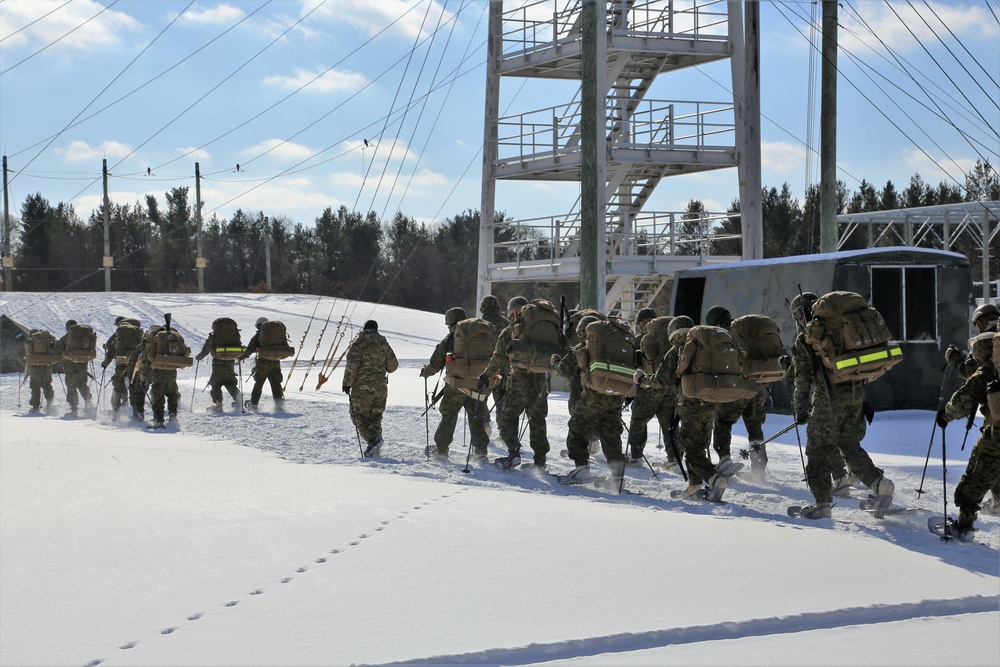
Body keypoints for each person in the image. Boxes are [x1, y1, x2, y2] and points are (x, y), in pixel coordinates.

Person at [789, 292, 894, 519]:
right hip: (856, 395)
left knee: (816, 449)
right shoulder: (837, 330)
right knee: (849, 445)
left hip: (828, 399)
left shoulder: (808, 337)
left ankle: (822, 502)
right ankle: (878, 483)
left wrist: (800, 409)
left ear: (800, 315)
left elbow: (802, 378)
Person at [650, 315, 729, 501]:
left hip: (690, 406)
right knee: (699, 447)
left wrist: (641, 379)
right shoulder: (706, 346)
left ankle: (714, 478)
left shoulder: (678, 349)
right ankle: (694, 487)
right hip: (709, 404)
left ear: (673, 334)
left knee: (690, 450)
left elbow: (662, 380)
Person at [479, 296, 557, 469]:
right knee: (537, 419)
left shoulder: (511, 331)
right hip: (540, 381)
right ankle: (540, 460)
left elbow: (498, 357)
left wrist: (485, 376)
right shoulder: (543, 332)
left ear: (512, 312)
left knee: (507, 415)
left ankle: (513, 452)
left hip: (519, 380)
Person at [935, 335, 1000, 539]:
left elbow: (965, 399)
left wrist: (945, 415)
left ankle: (963, 526)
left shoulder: (988, 370)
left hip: (997, 432)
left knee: (976, 477)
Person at [554, 315, 626, 486]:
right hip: (616, 397)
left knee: (577, 429)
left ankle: (581, 470)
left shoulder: (585, 347)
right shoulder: (617, 348)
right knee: (611, 435)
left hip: (593, 398)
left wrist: (556, 362)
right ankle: (617, 477)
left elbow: (564, 370)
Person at [943, 303, 1000, 514]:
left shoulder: (988, 345)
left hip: (997, 425)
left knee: (978, 473)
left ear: (980, 323)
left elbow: (971, 378)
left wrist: (946, 414)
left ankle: (964, 524)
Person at [704, 306, 768, 479]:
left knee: (723, 422)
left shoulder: (722, 334)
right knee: (755, 429)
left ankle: (725, 460)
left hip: (737, 387)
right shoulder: (744, 330)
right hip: (757, 388)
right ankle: (759, 467)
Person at [420, 308, 491, 461]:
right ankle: (481, 452)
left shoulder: (451, 338)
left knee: (449, 416)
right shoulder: (480, 335)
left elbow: (435, 364)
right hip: (478, 383)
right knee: (477, 417)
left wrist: (425, 372)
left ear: (450, 322)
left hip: (456, 385)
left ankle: (441, 450)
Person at [626, 310, 677, 467]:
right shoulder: (671, 338)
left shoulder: (643, 338)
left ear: (641, 322)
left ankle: (636, 457)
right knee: (669, 423)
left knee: (639, 420)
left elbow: (634, 361)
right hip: (671, 387)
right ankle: (674, 459)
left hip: (649, 385)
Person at [344, 320, 399, 457]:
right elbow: (393, 366)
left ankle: (374, 441)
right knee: (375, 417)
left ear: (364, 329)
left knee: (357, 414)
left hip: (362, 386)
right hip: (381, 387)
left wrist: (347, 383)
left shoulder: (359, 342)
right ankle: (374, 449)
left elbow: (352, 364)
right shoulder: (383, 343)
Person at [127, 324, 182, 428]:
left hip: (157, 371)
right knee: (172, 392)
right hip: (171, 370)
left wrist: (143, 375)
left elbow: (145, 360)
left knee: (157, 394)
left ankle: (158, 420)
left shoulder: (150, 342)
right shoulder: (170, 340)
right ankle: (172, 415)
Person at [240, 317, 286, 411]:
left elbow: (251, 348)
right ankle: (279, 405)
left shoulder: (259, 334)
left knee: (259, 384)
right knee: (276, 384)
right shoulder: (277, 334)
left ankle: (254, 405)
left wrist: (242, 357)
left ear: (258, 325)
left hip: (263, 363)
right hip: (275, 361)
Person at [195, 331, 242, 412]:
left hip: (217, 366)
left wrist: (199, 357)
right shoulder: (233, 337)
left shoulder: (213, 338)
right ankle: (239, 399)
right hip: (230, 364)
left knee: (215, 384)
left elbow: (205, 351)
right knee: (230, 383)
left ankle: (218, 405)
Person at [479, 294, 510, 412]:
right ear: (497, 307)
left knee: (480, 402)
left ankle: (484, 424)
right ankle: (502, 428)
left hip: (483, 370)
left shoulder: (479, 324)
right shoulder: (507, 324)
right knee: (502, 405)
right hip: (501, 372)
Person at [57, 319, 92, 417]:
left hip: (70, 366)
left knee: (71, 387)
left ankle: (74, 410)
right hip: (83, 365)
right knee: (82, 384)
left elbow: (57, 351)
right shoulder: (85, 337)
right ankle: (89, 403)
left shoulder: (66, 338)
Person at [23, 329, 56, 413]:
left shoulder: (30, 343)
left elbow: (22, 356)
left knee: (35, 386)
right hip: (46, 366)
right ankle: (50, 403)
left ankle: (35, 407)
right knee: (47, 383)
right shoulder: (46, 342)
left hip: (34, 367)